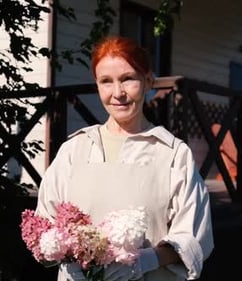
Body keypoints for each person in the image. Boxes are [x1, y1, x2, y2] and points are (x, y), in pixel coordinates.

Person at [35, 35, 214, 281]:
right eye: (106, 82)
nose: (118, 93)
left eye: (128, 79)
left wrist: (147, 260)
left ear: (148, 81)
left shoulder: (173, 154)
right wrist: (60, 251)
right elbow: (46, 223)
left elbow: (194, 235)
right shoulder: (74, 150)